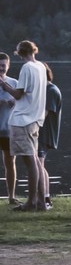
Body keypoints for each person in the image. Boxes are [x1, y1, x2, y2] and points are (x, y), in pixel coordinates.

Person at [5, 41, 51, 211]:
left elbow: (18, 94)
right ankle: (40, 201)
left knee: (30, 161)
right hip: (35, 119)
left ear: (20, 53)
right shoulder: (40, 66)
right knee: (36, 162)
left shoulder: (26, 68)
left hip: (22, 120)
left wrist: (2, 83)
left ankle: (31, 202)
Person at [0, 52, 16, 206]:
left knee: (10, 162)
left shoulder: (14, 83)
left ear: (8, 66)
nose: (1, 68)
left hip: (8, 130)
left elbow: (24, 103)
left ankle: (11, 196)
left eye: (3, 65)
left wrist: (13, 102)